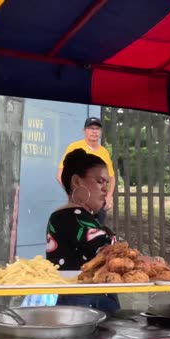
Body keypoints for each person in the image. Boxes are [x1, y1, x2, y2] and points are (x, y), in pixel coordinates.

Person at [47, 148, 119, 312]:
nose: (105, 189)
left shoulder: (83, 217)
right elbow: (106, 251)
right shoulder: (69, 217)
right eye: (100, 181)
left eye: (107, 183)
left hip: (92, 302)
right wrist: (144, 261)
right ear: (77, 182)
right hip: (82, 305)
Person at [57, 116, 114, 222]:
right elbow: (60, 174)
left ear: (100, 132)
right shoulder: (74, 148)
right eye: (91, 128)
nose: (94, 131)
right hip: (80, 202)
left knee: (96, 232)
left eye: (97, 129)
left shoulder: (104, 152)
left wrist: (109, 196)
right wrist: (74, 192)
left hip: (98, 204)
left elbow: (111, 176)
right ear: (84, 131)